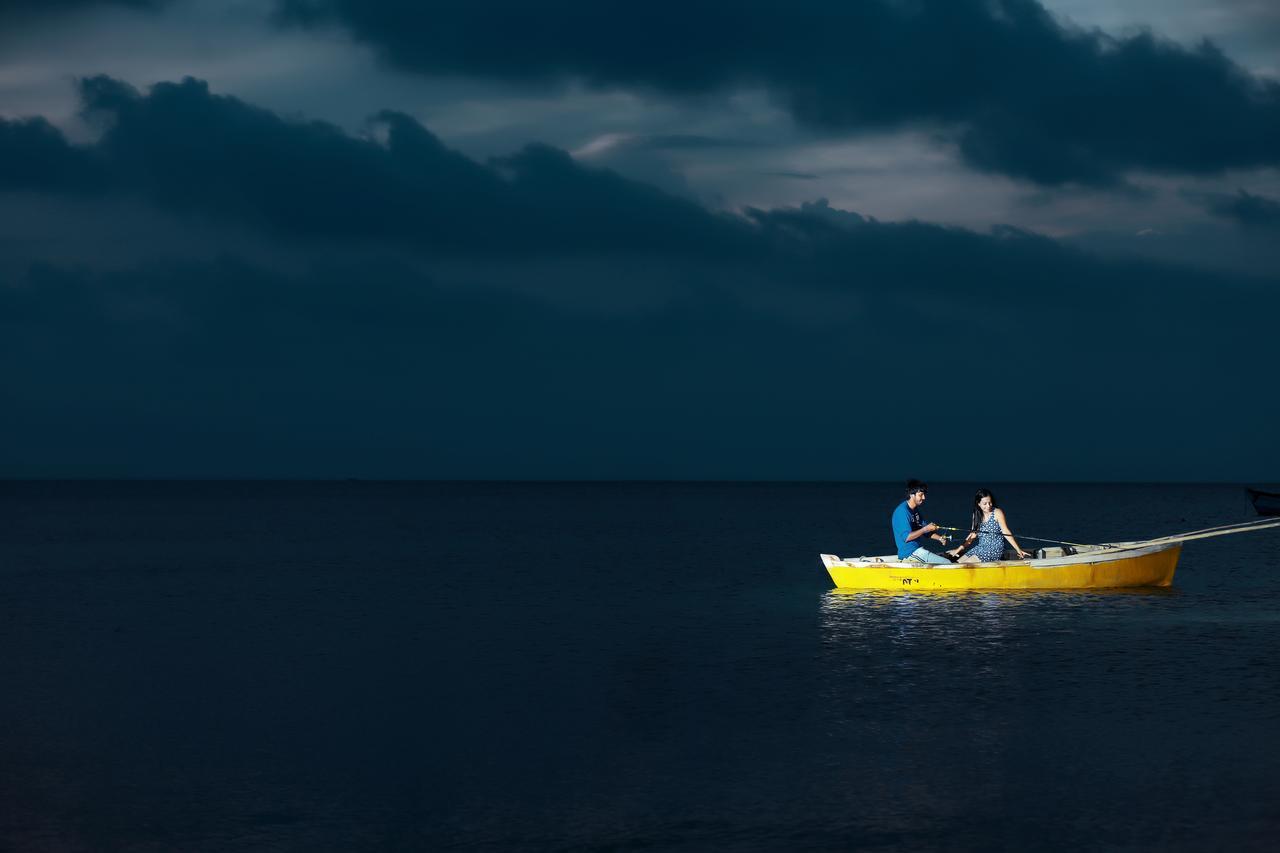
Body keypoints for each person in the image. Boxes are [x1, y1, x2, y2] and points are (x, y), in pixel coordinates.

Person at [947, 489, 1032, 562]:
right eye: (985, 503)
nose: (988, 506)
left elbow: (1006, 531)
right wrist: (957, 550)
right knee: (959, 562)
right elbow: (972, 536)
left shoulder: (997, 512)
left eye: (990, 503)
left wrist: (1018, 549)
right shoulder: (976, 515)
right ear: (978, 504)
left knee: (967, 564)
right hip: (980, 548)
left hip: (995, 549)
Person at [891, 480, 952, 564]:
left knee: (948, 558)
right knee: (947, 563)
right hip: (909, 553)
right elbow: (907, 537)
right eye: (921, 495)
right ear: (912, 495)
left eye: (924, 495)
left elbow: (926, 532)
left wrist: (940, 538)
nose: (924, 498)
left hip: (918, 550)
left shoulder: (915, 511)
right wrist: (925, 528)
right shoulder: (902, 512)